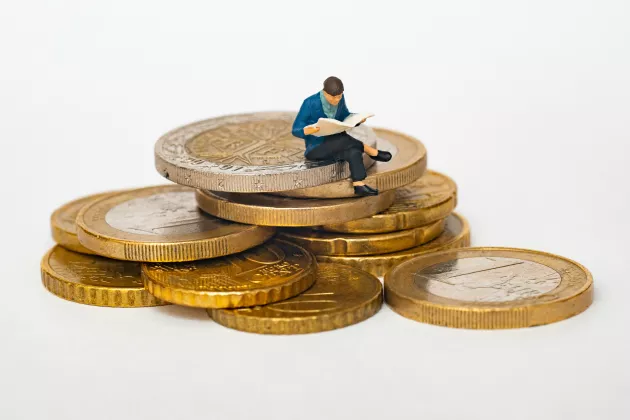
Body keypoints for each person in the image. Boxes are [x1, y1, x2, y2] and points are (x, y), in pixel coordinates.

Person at [291, 76, 392, 196]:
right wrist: (307, 130)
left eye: (339, 96)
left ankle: (358, 184)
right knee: (341, 139)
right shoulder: (310, 102)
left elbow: (345, 116)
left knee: (353, 151)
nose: (337, 100)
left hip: (338, 145)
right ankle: (373, 152)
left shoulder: (340, 98)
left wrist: (357, 119)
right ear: (324, 93)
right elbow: (295, 129)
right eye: (333, 97)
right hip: (317, 148)